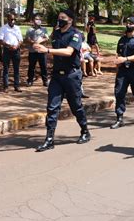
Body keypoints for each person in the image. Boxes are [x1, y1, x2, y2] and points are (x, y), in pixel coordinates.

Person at [33, 9, 91, 152]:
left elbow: (69, 52)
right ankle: (49, 139)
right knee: (52, 107)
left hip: (72, 76)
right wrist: (39, 41)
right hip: (57, 76)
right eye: (59, 17)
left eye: (63, 18)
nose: (60, 20)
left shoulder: (76, 34)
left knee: (76, 106)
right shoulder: (57, 32)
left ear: (70, 20)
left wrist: (47, 51)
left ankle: (85, 131)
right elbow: (48, 37)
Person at [110, 16, 134, 129]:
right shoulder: (122, 40)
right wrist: (118, 63)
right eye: (127, 23)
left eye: (131, 23)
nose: (128, 25)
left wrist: (125, 59)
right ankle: (119, 118)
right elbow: (118, 55)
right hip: (122, 71)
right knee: (119, 93)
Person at [0, 14, 23, 92]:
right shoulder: (3, 28)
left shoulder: (17, 28)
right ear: (7, 19)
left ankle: (17, 86)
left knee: (16, 69)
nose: (13, 21)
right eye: (11, 19)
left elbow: (21, 40)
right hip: (7, 50)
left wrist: (17, 46)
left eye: (14, 19)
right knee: (6, 69)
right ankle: (6, 86)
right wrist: (9, 46)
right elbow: (0, 41)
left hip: (16, 50)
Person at [25, 14, 49, 86]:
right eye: (36, 19)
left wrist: (40, 41)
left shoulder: (44, 29)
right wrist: (34, 43)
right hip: (32, 51)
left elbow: (47, 38)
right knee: (31, 66)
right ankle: (30, 80)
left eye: (39, 19)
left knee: (43, 66)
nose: (38, 20)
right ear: (33, 21)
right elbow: (27, 39)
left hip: (42, 51)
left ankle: (45, 81)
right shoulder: (30, 30)